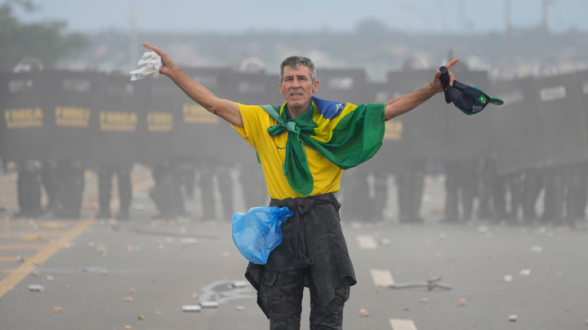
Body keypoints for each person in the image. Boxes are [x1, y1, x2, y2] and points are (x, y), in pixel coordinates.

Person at [142, 42, 458, 330]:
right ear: (280, 87)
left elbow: (387, 109)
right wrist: (173, 72)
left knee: (328, 312)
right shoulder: (262, 120)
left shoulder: (334, 117)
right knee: (281, 316)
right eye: (289, 79)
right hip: (281, 224)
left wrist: (431, 90)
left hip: (323, 221)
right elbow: (213, 103)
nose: (296, 84)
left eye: (302, 78)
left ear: (314, 85)